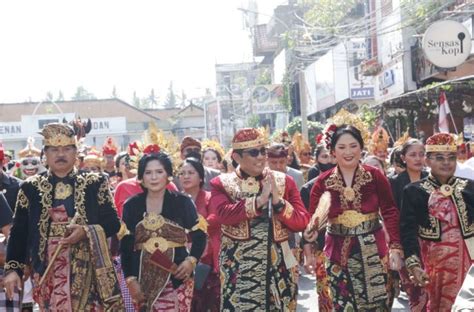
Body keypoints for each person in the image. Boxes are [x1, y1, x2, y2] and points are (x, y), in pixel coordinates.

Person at [4, 123, 123, 311]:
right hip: (46, 267)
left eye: (67, 149)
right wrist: (13, 269)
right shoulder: (30, 187)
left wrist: (85, 231)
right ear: (45, 154)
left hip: (86, 267)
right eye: (54, 149)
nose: (60, 154)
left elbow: (112, 223)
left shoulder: (95, 182)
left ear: (76, 153)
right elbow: (19, 231)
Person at [304, 111, 402, 311]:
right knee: (340, 305)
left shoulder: (375, 176)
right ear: (332, 151)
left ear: (361, 148)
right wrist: (309, 245)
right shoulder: (322, 182)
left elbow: (390, 211)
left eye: (353, 146)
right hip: (337, 253)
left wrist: (396, 247)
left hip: (374, 250)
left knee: (376, 305)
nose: (348, 152)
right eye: (341, 147)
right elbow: (313, 219)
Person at [210, 128, 309, 311]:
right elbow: (224, 214)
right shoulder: (222, 183)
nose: (261, 157)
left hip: (278, 266)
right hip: (239, 268)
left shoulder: (284, 181)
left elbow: (302, 221)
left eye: (263, 151)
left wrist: (278, 202)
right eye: (253, 152)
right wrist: (259, 201)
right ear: (237, 157)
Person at [120, 152, 207, 311]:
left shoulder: (182, 202)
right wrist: (131, 279)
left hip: (177, 276)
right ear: (141, 177)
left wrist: (191, 261)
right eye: (148, 172)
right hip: (142, 279)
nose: (154, 177)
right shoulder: (131, 206)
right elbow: (125, 246)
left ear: (168, 175)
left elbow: (200, 236)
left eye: (159, 172)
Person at [400, 133, 474, 311]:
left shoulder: (469, 187)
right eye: (439, 158)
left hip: (468, 259)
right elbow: (407, 230)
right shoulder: (414, 191)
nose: (446, 163)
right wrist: (414, 264)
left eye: (451, 158)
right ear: (427, 160)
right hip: (433, 262)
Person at [178, 158, 220, 312]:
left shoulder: (210, 197)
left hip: (207, 257)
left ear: (201, 177)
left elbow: (215, 218)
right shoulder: (175, 199)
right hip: (181, 258)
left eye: (190, 173)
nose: (186, 176)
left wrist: (193, 229)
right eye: (182, 173)